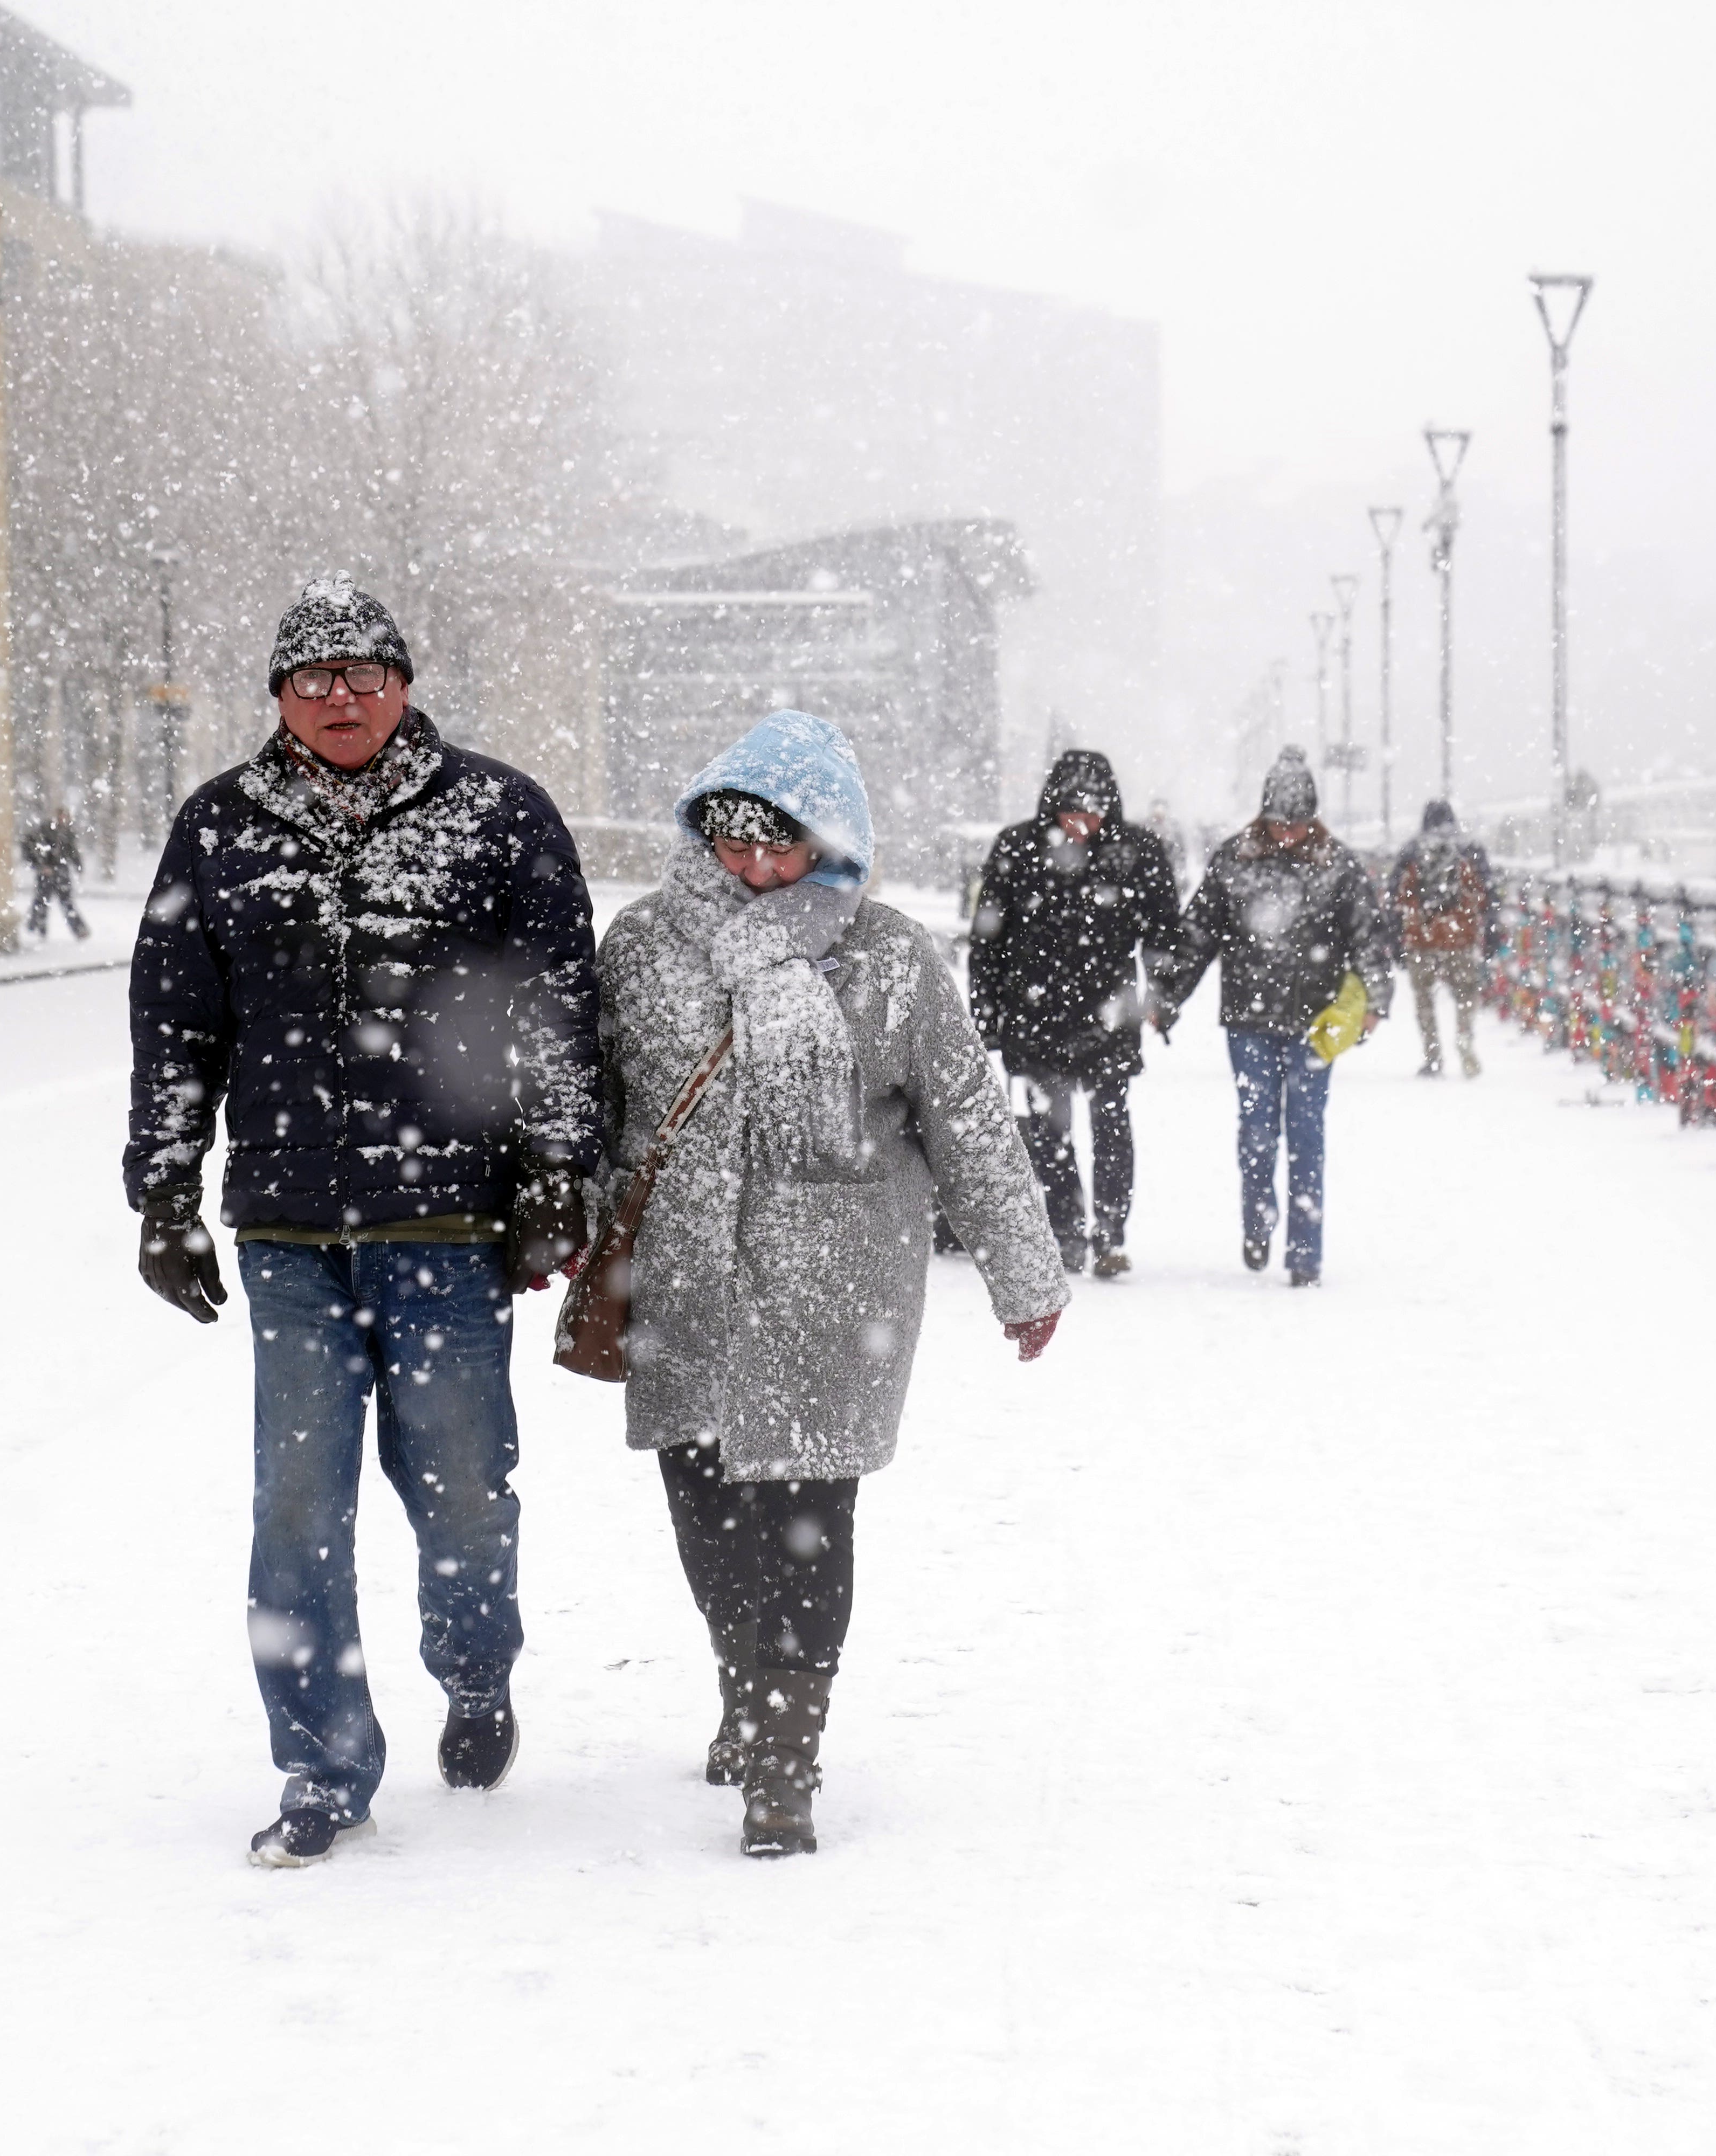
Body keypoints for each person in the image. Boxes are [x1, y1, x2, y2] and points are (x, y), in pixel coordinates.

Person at [125, 575, 601, 1870]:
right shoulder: (221, 827)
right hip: (289, 1230)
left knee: (460, 1499)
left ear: (404, 682)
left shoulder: (498, 815)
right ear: (279, 695)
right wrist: (165, 1190)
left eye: (364, 671)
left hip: (447, 1222)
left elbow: (554, 1004)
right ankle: (322, 1765)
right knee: (297, 1507)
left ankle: (474, 1665)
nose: (342, 695)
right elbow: (177, 1023)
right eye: (314, 675)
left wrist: (560, 1169)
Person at [594, 709, 1065, 1858]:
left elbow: (965, 1121)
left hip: (833, 1294)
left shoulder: (891, 955)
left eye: (783, 844)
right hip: (686, 1289)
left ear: (832, 840)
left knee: (807, 1524)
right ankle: (740, 1673)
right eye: (735, 841)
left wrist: (1023, 1268)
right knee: (708, 1522)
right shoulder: (645, 947)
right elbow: (596, 1108)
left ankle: (783, 1757)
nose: (756, 868)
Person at [1167, 745, 1392, 1288]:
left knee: (1307, 1132)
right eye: (1280, 823)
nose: (1288, 834)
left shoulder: (1339, 867)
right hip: (1249, 1020)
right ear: (1265, 815)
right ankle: (1259, 1221)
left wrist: (1375, 1002)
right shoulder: (1233, 862)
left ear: (1312, 818)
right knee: (1256, 1131)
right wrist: (1169, 994)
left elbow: (1368, 936)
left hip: (1316, 1023)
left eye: (1297, 823)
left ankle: (1303, 1251)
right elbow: (1198, 935)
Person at [967, 749, 1184, 1278]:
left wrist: (1160, 995)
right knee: (1047, 1132)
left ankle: (1110, 1231)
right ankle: (1065, 1230)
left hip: (1109, 1012)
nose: (1082, 826)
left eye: (1093, 815)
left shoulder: (1137, 851)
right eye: (1072, 815)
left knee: (1112, 1123)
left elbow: (1164, 932)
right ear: (1052, 808)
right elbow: (987, 937)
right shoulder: (1017, 848)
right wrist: (987, 1010)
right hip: (1034, 1013)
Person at [1389, 798, 1494, 1078]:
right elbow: (1488, 894)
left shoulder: (1411, 850)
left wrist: (1396, 940)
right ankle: (1464, 1037)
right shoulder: (1470, 848)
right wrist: (1490, 933)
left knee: (1424, 1000)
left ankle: (1433, 1055)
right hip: (1460, 936)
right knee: (1466, 994)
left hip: (1420, 937)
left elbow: (1394, 899)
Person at [21, 807, 89, 941]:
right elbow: (34, 846)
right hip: (47, 872)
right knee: (42, 901)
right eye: (62, 817)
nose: (63, 820)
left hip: (61, 872)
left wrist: (78, 866)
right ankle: (37, 928)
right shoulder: (46, 830)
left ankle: (78, 929)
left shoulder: (67, 833)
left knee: (66, 902)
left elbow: (72, 851)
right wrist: (42, 866)